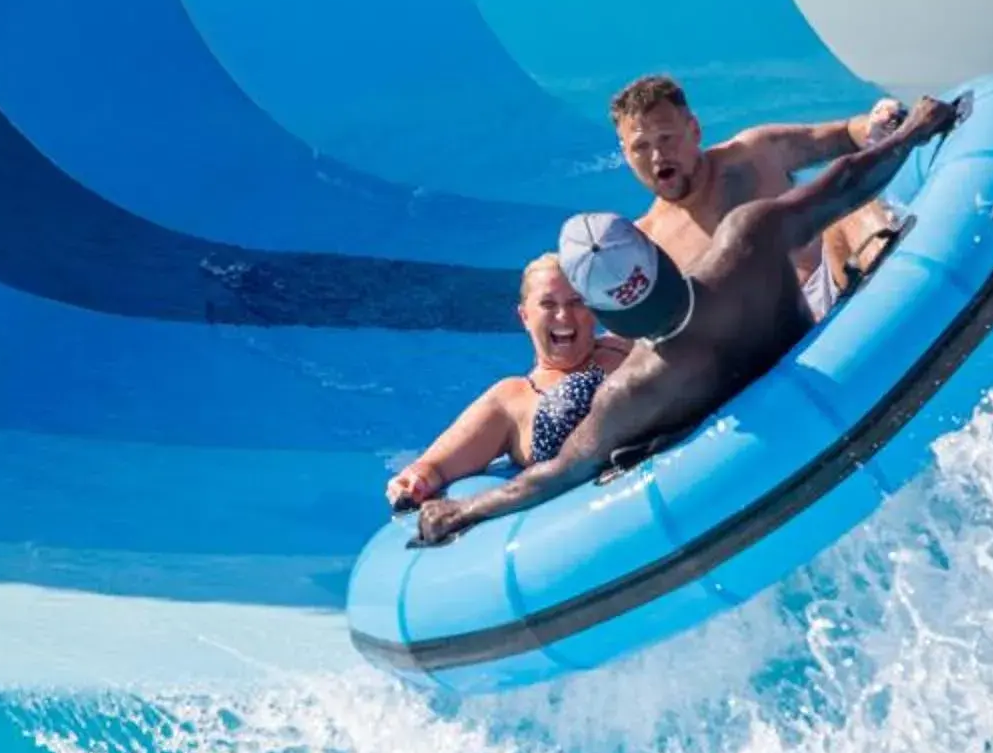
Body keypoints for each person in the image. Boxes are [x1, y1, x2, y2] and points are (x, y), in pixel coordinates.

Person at [415, 95, 962, 547]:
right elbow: (846, 180)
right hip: (832, 352)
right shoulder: (745, 241)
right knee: (840, 213)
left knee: (850, 226)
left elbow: (554, 476)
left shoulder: (632, 389)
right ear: (657, 258)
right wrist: (914, 131)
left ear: (604, 312)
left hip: (756, 448)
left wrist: (463, 511)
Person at [609, 72, 913, 322]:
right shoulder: (647, 245)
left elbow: (846, 134)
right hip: (765, 351)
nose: (658, 155)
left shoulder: (753, 154)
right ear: (625, 154)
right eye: (641, 147)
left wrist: (876, 124)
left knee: (848, 203)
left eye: (666, 138)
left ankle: (911, 306)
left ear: (694, 130)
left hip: (828, 287)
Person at [385, 255, 632, 513]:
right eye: (548, 304)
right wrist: (414, 481)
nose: (563, 315)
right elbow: (434, 466)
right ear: (525, 317)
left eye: (576, 302)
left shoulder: (626, 345)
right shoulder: (512, 398)